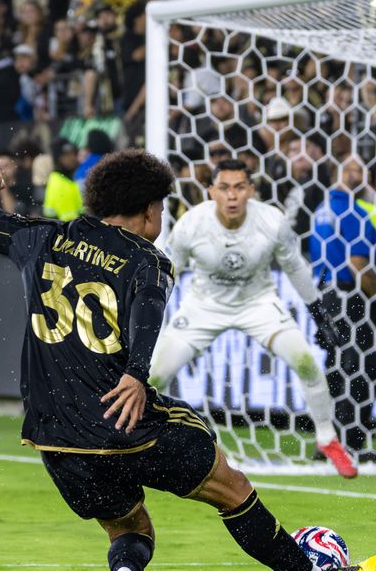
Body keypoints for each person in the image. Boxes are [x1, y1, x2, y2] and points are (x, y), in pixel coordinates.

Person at [0, 149, 376, 571]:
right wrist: (138, 375)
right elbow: (147, 313)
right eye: (160, 208)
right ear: (146, 209)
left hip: (53, 436)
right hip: (125, 417)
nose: (161, 220)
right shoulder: (147, 259)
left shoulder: (41, 237)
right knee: (229, 486)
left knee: (129, 527)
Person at [147, 159, 357, 478]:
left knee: (305, 362)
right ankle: (138, 443)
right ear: (211, 192)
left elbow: (296, 268)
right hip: (204, 306)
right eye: (225, 188)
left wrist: (320, 315)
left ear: (251, 191)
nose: (232, 196)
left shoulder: (272, 221)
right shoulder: (191, 225)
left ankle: (328, 438)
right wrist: (148, 316)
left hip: (258, 303)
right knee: (154, 377)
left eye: (239, 187)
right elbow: (167, 274)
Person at [310, 156, 376, 460]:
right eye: (353, 169)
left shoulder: (322, 211)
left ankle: (328, 442)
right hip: (353, 300)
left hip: (327, 295)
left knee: (337, 367)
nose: (358, 175)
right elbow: (359, 264)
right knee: (360, 370)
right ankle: (350, 444)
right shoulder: (354, 213)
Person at [42, 138, 83, 220]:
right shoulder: (60, 183)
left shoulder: (65, 179)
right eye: (66, 155)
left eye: (73, 153)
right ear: (57, 159)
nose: (72, 158)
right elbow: (71, 224)